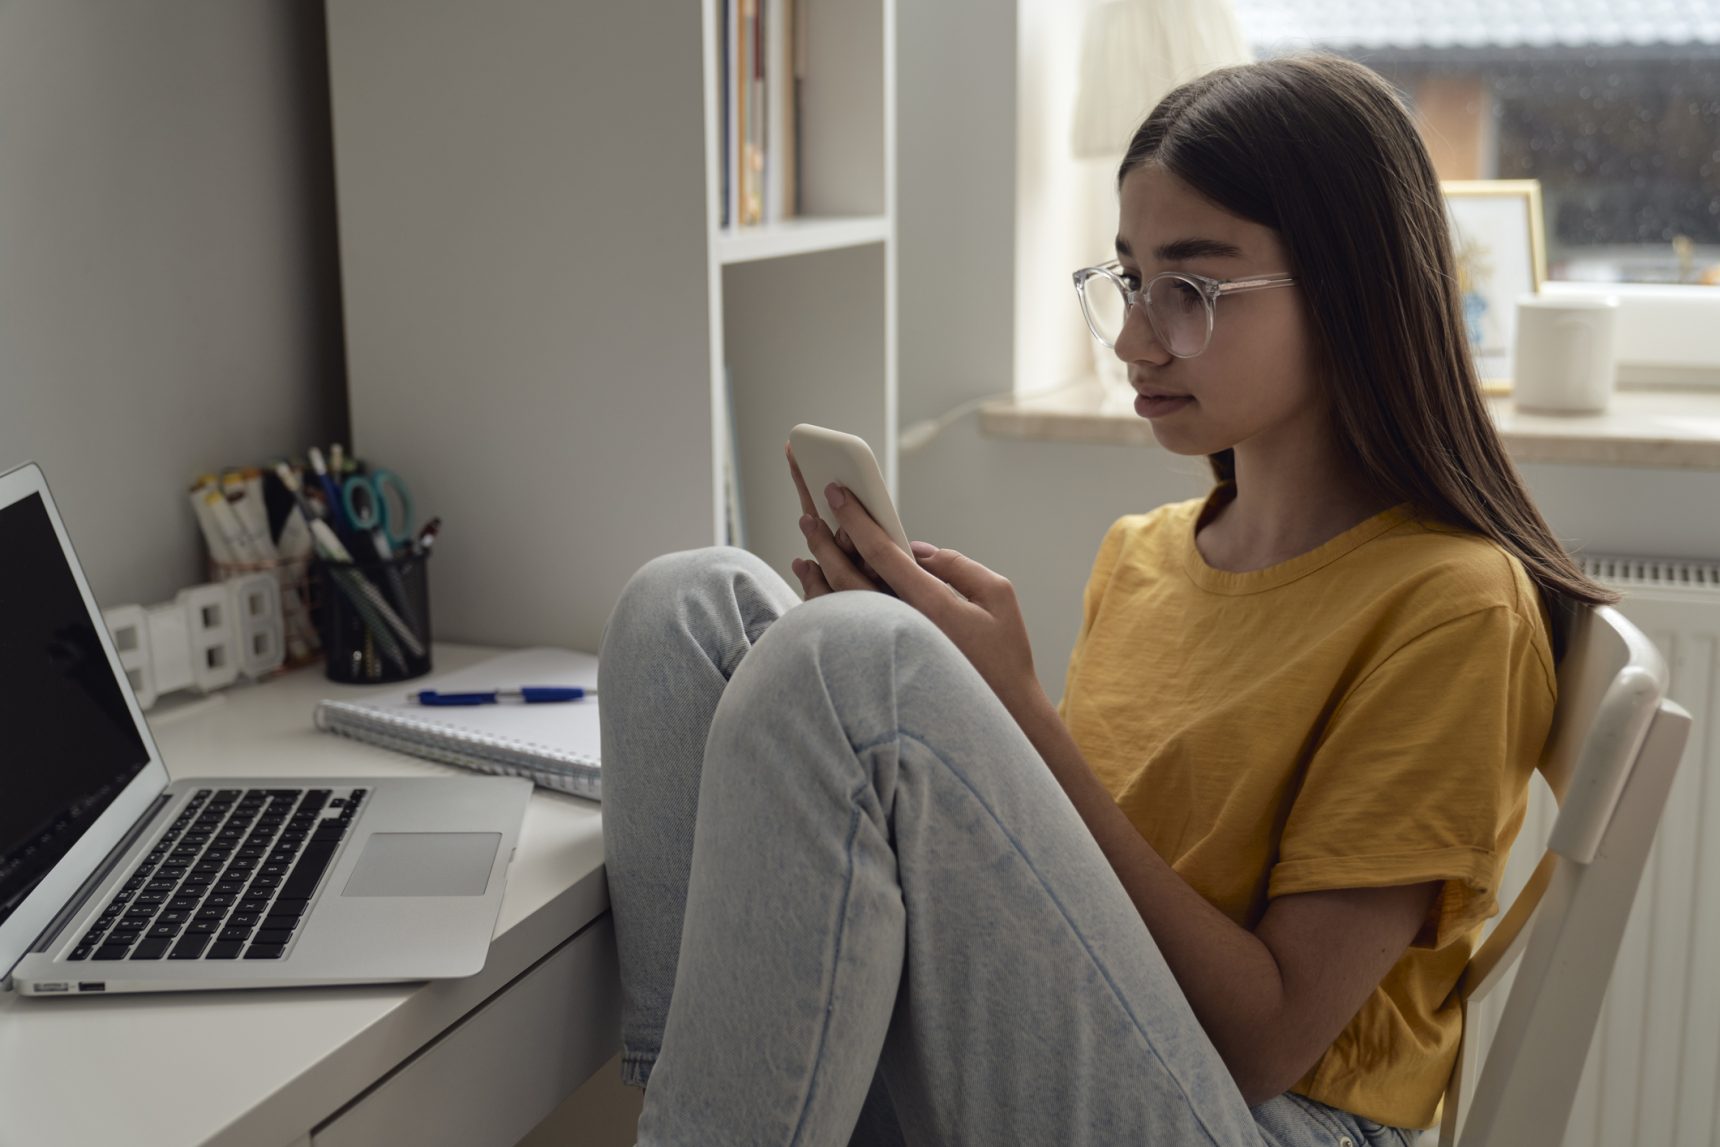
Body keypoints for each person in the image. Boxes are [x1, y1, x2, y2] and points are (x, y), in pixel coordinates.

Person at [598, 52, 1619, 1146]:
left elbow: (1261, 1039)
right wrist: (980, 720)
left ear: (1348, 288)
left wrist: (1019, 718)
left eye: (1192, 288)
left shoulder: (1454, 606)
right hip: (1106, 1066)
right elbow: (1065, 909)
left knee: (855, 664)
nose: (1137, 338)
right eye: (1130, 280)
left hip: (1264, 1116)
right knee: (685, 607)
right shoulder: (1144, 554)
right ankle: (708, 1112)